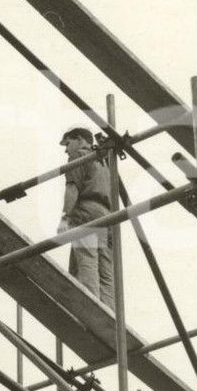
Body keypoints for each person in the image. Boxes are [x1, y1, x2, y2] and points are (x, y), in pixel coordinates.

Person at [59, 128, 114, 309]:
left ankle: (93, 309)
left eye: (68, 143)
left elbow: (72, 188)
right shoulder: (104, 162)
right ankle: (109, 312)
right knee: (106, 270)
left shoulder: (79, 156)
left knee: (87, 260)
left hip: (87, 211)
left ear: (80, 140)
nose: (66, 149)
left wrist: (66, 216)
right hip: (107, 215)